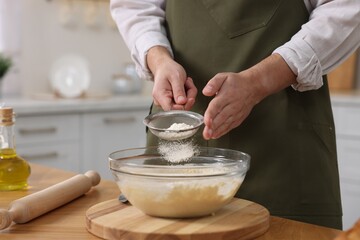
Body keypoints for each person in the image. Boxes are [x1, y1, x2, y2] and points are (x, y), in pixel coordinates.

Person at [111, 0, 360, 229]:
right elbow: (133, 5)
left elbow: (346, 9)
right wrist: (159, 60)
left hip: (285, 150)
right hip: (179, 140)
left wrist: (259, 81)